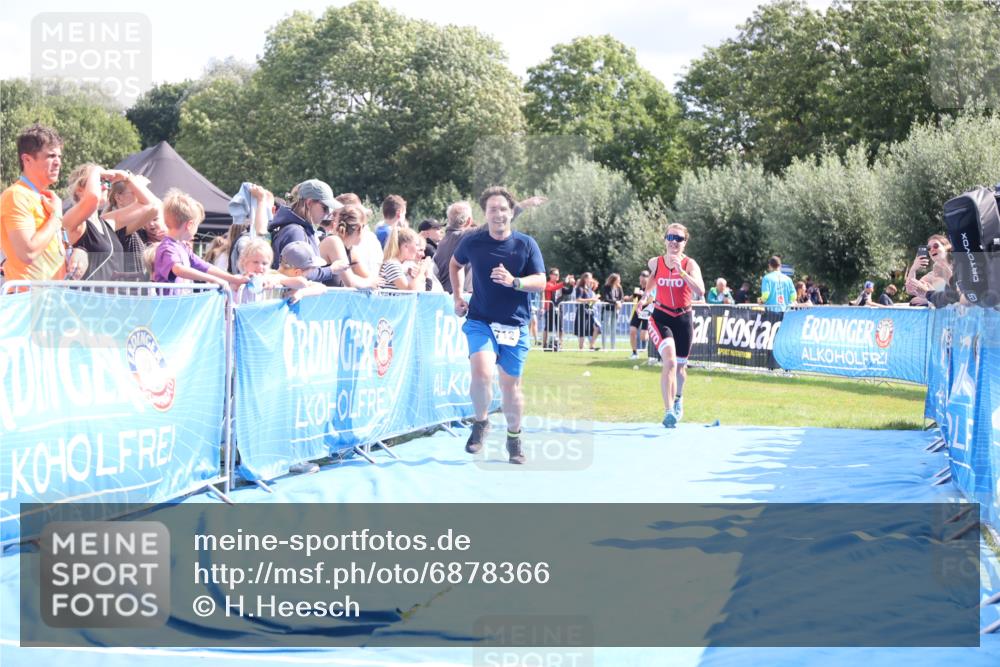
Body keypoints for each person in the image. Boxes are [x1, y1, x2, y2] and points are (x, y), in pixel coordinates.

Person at [450, 186, 545, 464]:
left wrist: (514, 281)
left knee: (510, 386)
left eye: (503, 208)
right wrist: (457, 296)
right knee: (481, 371)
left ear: (511, 212)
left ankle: (514, 438)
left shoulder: (525, 244)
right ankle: (480, 422)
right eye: (492, 209)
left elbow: (540, 281)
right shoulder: (473, 241)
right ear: (485, 213)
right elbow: (455, 265)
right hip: (481, 320)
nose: (498, 214)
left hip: (514, 325)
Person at [639, 223, 705, 428]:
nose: (674, 242)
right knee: (669, 362)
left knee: (681, 367)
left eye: (679, 239)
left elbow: (700, 291)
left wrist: (681, 272)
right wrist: (645, 296)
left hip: (683, 318)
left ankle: (678, 398)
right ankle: (668, 412)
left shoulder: (690, 265)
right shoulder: (655, 262)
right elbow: (653, 279)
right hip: (661, 317)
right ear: (665, 239)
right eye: (671, 237)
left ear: (685, 243)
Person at [1, 124, 69, 281]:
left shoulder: (45, 198)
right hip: (28, 299)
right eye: (51, 156)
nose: (58, 162)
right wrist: (56, 217)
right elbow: (27, 253)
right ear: (27, 159)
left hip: (52, 298)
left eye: (59, 156)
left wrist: (78, 254)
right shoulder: (16, 196)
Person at [152, 189, 248, 294]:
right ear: (189, 225)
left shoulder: (182, 247)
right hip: (170, 307)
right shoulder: (167, 247)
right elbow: (178, 269)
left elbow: (205, 266)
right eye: (197, 225)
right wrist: (211, 279)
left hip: (181, 305)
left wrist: (233, 279)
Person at [62, 163, 130, 282]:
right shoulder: (72, 220)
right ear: (79, 190)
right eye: (100, 182)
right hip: (86, 298)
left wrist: (128, 178)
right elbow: (93, 197)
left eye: (107, 183)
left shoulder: (106, 222)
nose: (106, 187)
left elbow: (151, 206)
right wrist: (97, 170)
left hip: (111, 298)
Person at [267, 179, 343, 284]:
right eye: (325, 207)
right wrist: (331, 270)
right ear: (309, 203)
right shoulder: (295, 231)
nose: (328, 214)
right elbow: (301, 274)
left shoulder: (295, 228)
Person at [318, 205, 377, 288]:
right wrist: (369, 283)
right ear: (359, 228)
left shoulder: (350, 249)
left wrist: (370, 282)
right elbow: (350, 282)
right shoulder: (333, 241)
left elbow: (370, 279)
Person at [905, 234, 952, 306]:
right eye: (929, 248)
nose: (932, 249)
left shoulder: (959, 267)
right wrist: (913, 268)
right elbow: (910, 290)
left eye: (936, 246)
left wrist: (928, 300)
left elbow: (960, 295)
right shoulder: (932, 275)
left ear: (946, 248)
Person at [379, 226, 431, 291]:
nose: (418, 249)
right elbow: (408, 291)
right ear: (406, 246)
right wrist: (421, 271)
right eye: (417, 245)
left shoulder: (402, 265)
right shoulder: (392, 265)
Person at [573, 272, 601, 350]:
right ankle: (581, 348)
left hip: (590, 311)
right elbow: (578, 299)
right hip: (582, 312)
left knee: (597, 328)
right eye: (590, 278)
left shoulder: (588, 289)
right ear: (585, 279)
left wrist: (594, 300)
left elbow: (590, 303)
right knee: (582, 331)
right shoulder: (580, 288)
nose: (591, 280)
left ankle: (591, 345)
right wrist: (591, 299)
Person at [629, 269, 651, 359]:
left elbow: (650, 300)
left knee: (643, 337)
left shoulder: (650, 288)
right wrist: (626, 298)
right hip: (637, 312)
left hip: (647, 311)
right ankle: (634, 353)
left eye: (645, 277)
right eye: (641, 277)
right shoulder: (637, 289)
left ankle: (654, 340)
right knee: (632, 331)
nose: (642, 279)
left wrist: (641, 303)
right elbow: (631, 298)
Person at [542, 268, 564, 351]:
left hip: (558, 309)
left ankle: (560, 344)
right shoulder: (547, 284)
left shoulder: (558, 285)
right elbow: (553, 288)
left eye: (558, 274)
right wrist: (564, 283)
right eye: (555, 274)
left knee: (560, 327)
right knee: (548, 328)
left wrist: (572, 284)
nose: (557, 276)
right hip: (549, 308)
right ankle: (545, 344)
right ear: (550, 275)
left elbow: (567, 291)